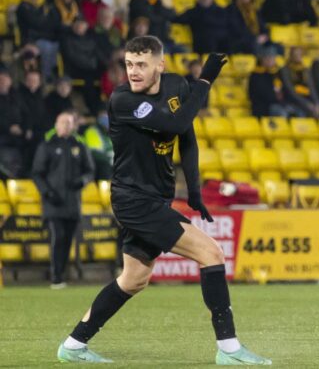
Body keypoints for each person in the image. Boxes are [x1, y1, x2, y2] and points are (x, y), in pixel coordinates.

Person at [55, 36, 270, 365]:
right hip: (133, 200)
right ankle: (229, 350)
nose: (133, 71)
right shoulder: (123, 100)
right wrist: (205, 80)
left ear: (160, 65)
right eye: (128, 64)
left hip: (157, 197)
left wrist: (195, 191)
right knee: (211, 252)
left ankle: (72, 345)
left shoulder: (175, 86)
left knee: (134, 279)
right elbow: (175, 122)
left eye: (141, 64)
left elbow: (188, 138)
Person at [32, 112, 94, 288]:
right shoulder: (47, 145)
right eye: (62, 123)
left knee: (67, 239)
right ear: (56, 124)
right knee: (57, 236)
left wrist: (82, 181)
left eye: (69, 123)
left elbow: (90, 171)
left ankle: (62, 275)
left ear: (73, 125)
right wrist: (47, 192)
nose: (66, 126)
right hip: (53, 202)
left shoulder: (80, 146)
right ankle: (55, 276)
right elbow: (37, 173)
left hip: (73, 202)